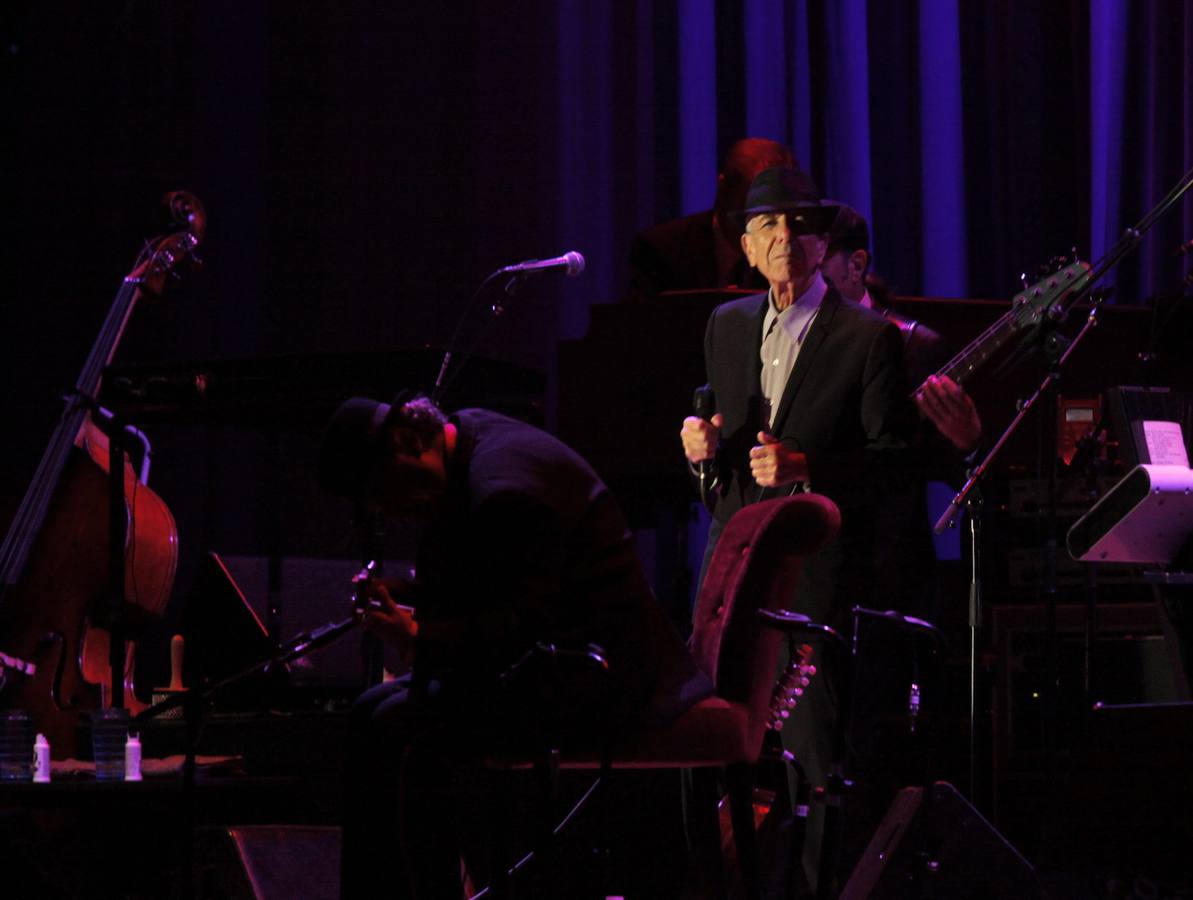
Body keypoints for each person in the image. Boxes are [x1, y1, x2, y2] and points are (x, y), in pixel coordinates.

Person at [319, 394, 712, 899]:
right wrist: (410, 595)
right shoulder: (469, 436)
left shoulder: (503, 488)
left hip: (600, 675)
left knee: (398, 729)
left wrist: (418, 636)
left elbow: (519, 630)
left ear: (408, 442)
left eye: (381, 492)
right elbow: (501, 585)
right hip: (565, 653)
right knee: (370, 711)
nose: (388, 512)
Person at [678, 164, 924, 892]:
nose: (784, 238)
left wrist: (807, 465)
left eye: (800, 226)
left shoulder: (867, 338)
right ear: (745, 250)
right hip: (735, 571)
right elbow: (720, 435)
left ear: (822, 246)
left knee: (818, 764)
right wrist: (698, 449)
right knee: (717, 749)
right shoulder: (723, 327)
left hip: (817, 580)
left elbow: (894, 465)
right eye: (767, 227)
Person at [821, 203, 981, 453]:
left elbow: (944, 468)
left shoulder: (915, 346)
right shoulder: (786, 336)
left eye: (817, 270)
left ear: (856, 266)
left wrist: (968, 442)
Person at [626, 137, 795, 301]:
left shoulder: (793, 251)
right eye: (751, 208)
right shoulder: (662, 250)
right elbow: (641, 325)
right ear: (723, 189)